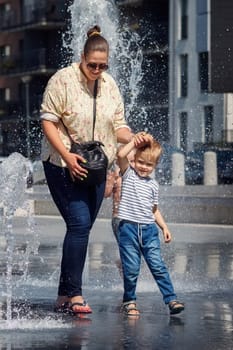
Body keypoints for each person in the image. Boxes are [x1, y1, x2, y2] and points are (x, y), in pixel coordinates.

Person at [40, 25, 133, 314]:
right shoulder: (63, 80)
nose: (96, 70)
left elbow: (118, 126)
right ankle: (76, 295)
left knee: (80, 229)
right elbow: (47, 121)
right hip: (62, 163)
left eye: (102, 65)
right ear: (81, 57)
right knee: (79, 224)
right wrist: (67, 156)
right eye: (91, 64)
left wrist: (135, 138)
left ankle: (62, 296)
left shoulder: (110, 85)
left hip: (96, 166)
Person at [117, 133, 185, 317]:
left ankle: (171, 299)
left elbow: (154, 210)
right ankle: (129, 301)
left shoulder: (153, 185)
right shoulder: (128, 174)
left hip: (149, 230)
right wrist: (133, 142)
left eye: (149, 164)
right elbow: (121, 155)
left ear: (155, 166)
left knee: (158, 265)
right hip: (128, 229)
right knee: (131, 268)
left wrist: (164, 227)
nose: (144, 167)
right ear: (135, 160)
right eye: (140, 162)